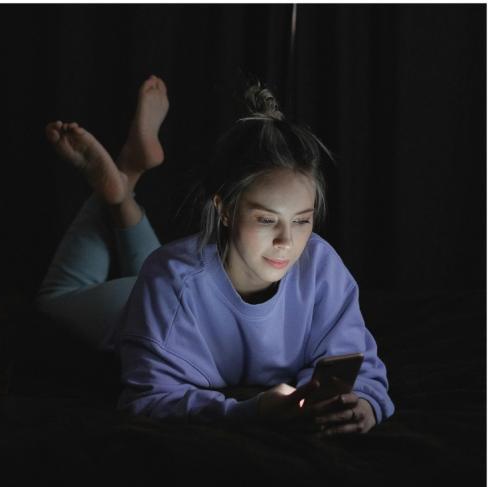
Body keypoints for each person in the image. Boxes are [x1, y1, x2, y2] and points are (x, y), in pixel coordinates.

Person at [36, 75, 394, 435]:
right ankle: (125, 175)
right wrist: (249, 411)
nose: (287, 240)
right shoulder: (169, 284)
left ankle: (124, 189)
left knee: (163, 267)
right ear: (224, 210)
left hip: (177, 284)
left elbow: (358, 366)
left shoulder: (321, 268)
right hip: (140, 303)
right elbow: (147, 398)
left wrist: (364, 403)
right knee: (55, 300)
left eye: (302, 221)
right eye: (267, 219)